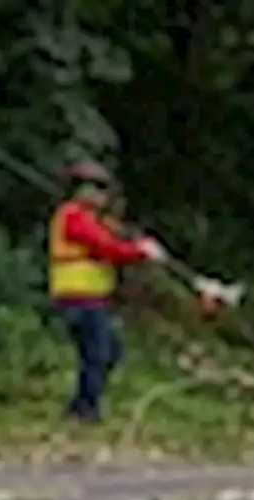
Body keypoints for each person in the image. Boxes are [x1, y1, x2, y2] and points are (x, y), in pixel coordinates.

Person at [48, 161, 167, 422]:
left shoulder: (89, 219)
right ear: (80, 190)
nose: (103, 195)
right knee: (99, 353)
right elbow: (106, 248)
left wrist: (133, 242)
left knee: (107, 352)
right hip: (79, 299)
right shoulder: (74, 216)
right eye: (97, 188)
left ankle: (81, 405)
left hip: (90, 299)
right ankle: (84, 411)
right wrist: (141, 252)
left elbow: (110, 240)